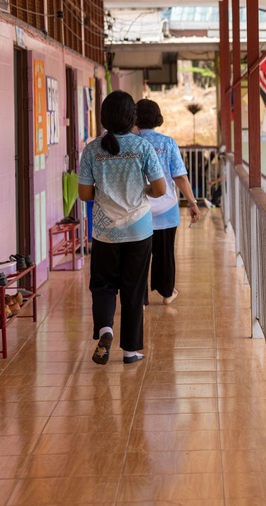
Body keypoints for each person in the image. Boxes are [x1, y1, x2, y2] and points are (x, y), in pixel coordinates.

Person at [78, 91, 166, 365]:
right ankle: (130, 350)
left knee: (103, 286)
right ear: (132, 118)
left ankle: (105, 329)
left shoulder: (92, 149)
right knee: (133, 288)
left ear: (104, 117)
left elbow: (85, 194)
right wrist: (142, 188)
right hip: (139, 230)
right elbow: (161, 189)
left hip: (105, 231)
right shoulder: (142, 148)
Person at [136, 99, 200, 305]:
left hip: (137, 209)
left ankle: (140, 299)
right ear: (157, 118)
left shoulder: (129, 142)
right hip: (166, 207)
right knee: (165, 254)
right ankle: (166, 293)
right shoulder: (167, 143)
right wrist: (192, 202)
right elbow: (180, 177)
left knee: (138, 256)